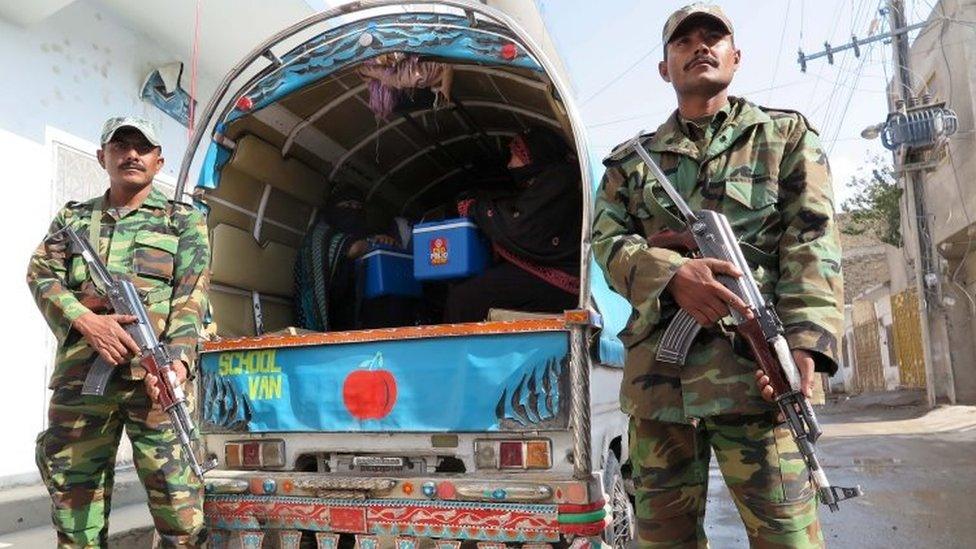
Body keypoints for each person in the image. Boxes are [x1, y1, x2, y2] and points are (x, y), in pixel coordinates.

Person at [592, 4, 843, 547]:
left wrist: (806, 347)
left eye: (713, 37)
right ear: (665, 68)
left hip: (758, 376)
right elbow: (606, 245)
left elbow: (813, 243)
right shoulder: (630, 165)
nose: (700, 47)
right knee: (663, 540)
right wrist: (673, 273)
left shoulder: (785, 137)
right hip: (659, 386)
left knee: (789, 538)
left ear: (736, 56)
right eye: (683, 42)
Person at [27, 116, 210, 547]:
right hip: (81, 386)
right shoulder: (74, 219)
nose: (131, 154)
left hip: (154, 384)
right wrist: (85, 320)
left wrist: (177, 364)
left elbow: (191, 298)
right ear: (102, 156)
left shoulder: (182, 221)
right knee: (76, 517)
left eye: (142, 147)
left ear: (158, 160)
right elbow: (41, 274)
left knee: (181, 515)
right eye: (120, 145)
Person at [444, 126, 582, 323]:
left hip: (558, 279)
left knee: (464, 298)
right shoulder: (549, 182)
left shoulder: (558, 181)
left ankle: (456, 352)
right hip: (554, 277)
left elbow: (519, 227)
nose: (509, 165)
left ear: (530, 155)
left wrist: (475, 208)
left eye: (514, 156)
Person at [294, 185, 396, 331]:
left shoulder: (361, 232)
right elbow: (353, 249)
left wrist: (384, 242)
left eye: (358, 206)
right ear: (334, 207)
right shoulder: (321, 233)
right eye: (348, 205)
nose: (353, 209)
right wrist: (375, 242)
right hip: (326, 311)